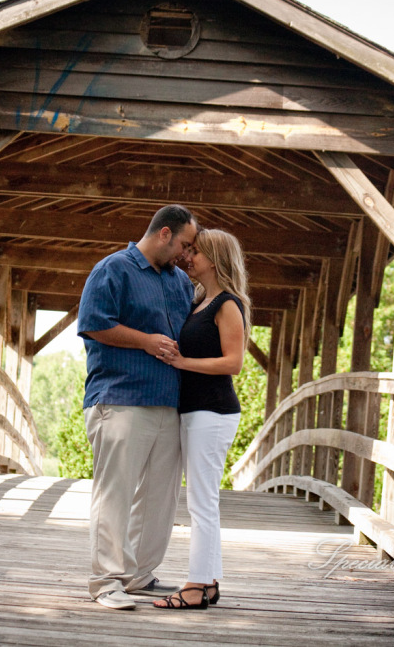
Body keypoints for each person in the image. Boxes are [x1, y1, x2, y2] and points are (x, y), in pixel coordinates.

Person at [77, 204, 199, 611]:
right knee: (115, 495)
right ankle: (106, 580)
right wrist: (146, 340)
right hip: (120, 398)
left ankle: (138, 574)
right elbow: (93, 322)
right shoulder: (113, 268)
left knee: (159, 499)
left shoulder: (180, 282)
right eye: (184, 244)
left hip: (170, 402)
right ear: (164, 234)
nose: (186, 253)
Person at [153, 228, 251, 610]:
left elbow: (235, 362)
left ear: (216, 258)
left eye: (195, 252)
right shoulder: (199, 301)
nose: (187, 257)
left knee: (201, 502)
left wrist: (183, 361)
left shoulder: (227, 303)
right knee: (202, 500)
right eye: (188, 250)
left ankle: (193, 587)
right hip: (196, 411)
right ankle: (208, 582)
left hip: (212, 412)